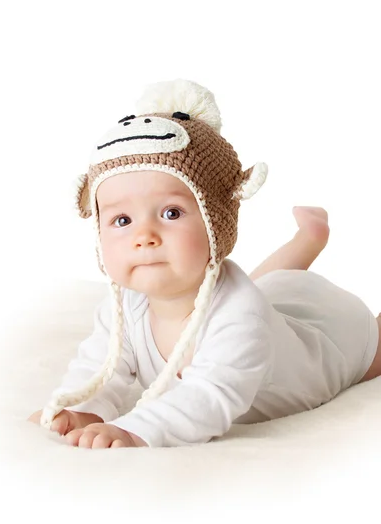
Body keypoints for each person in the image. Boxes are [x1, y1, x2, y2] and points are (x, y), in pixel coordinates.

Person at [28, 79, 381, 449]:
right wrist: (84, 409)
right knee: (263, 285)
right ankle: (307, 240)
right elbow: (101, 366)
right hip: (271, 299)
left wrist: (135, 429)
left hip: (329, 337)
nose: (144, 236)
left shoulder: (242, 317)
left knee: (366, 349)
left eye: (171, 212)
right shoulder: (124, 306)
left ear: (216, 221)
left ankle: (317, 252)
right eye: (122, 221)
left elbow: (210, 396)